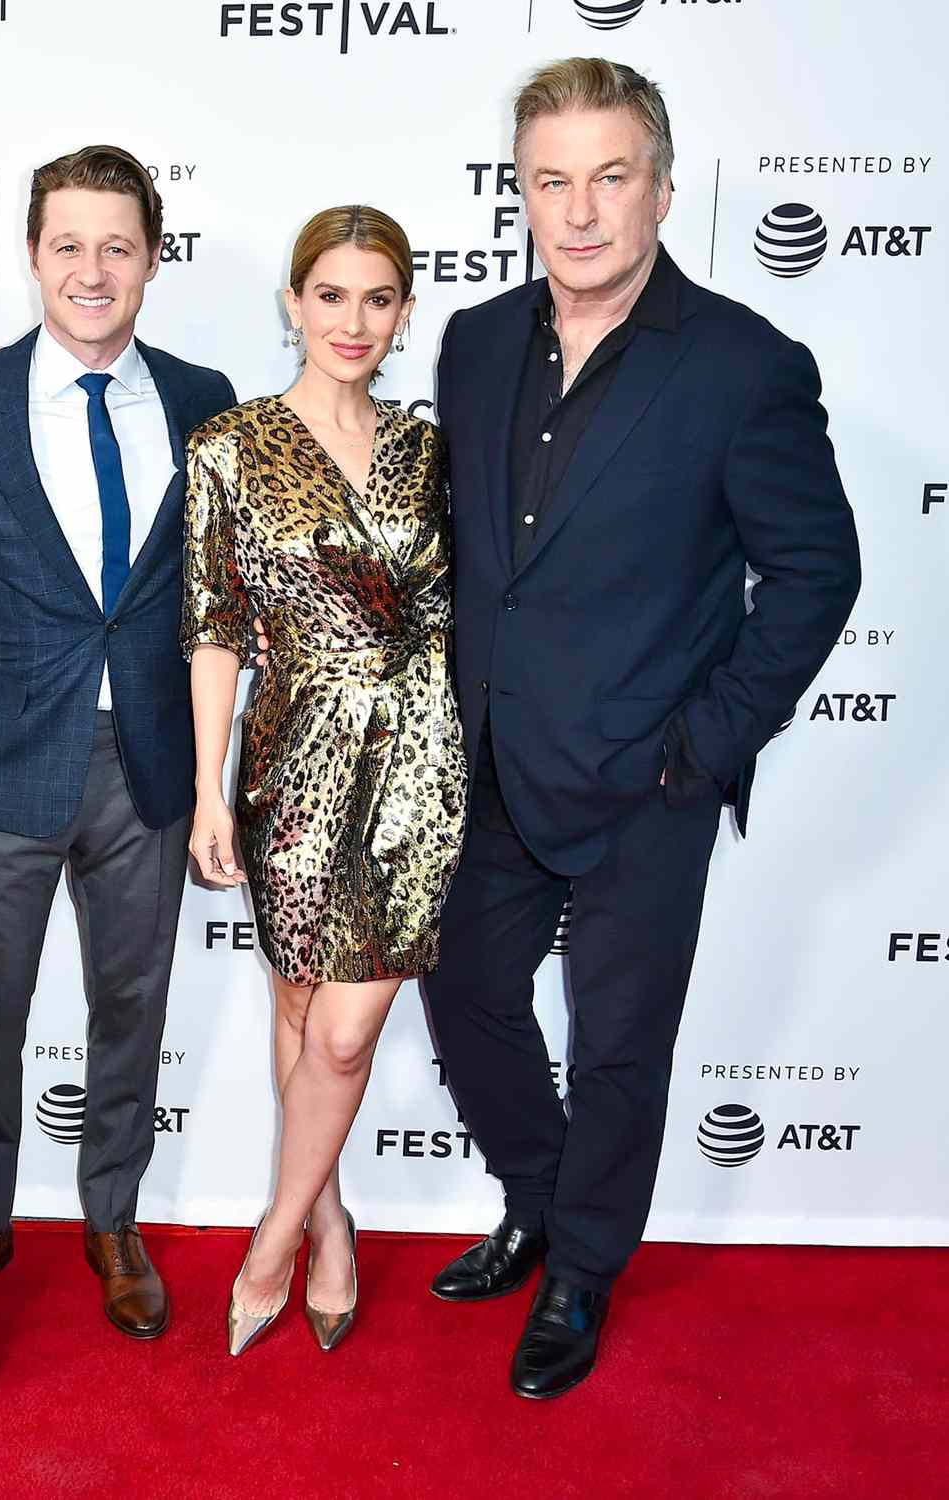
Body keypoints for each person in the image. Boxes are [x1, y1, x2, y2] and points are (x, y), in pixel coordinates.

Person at [420, 59, 861, 1398]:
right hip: (494, 759)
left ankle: (581, 1272)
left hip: (645, 780)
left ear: (663, 187)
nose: (582, 210)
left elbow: (817, 573)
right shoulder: (476, 341)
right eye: (552, 180)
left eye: (611, 177)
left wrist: (705, 743)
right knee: (468, 994)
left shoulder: (742, 368)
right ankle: (546, 1196)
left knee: (619, 1042)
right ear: (522, 194)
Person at [0, 145, 235, 1340]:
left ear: (151, 258)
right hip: (4, 762)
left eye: (117, 246)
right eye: (67, 246)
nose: (91, 271)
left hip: (146, 763)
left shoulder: (207, 400)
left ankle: (112, 1217)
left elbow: (226, 594)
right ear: (32, 255)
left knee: (131, 1005)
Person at [185, 206, 468, 1357]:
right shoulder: (230, 444)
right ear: (294, 302)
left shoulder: (427, 450)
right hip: (293, 755)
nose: (355, 321)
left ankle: (272, 1237)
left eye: (380, 297)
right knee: (301, 1007)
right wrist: (209, 789)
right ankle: (335, 1218)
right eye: (333, 295)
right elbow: (211, 627)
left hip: (423, 755)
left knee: (345, 1032)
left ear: (404, 312)